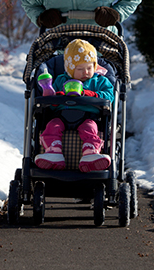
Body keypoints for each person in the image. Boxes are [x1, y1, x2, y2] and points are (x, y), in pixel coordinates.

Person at [35, 39, 114, 172]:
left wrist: (90, 94)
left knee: (90, 128)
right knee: (52, 126)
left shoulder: (100, 81)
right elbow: (51, 104)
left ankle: (91, 153)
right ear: (70, 69)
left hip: (89, 116)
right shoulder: (61, 80)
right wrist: (53, 95)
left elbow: (109, 96)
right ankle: (53, 152)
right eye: (80, 69)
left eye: (89, 68)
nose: (86, 72)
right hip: (61, 115)